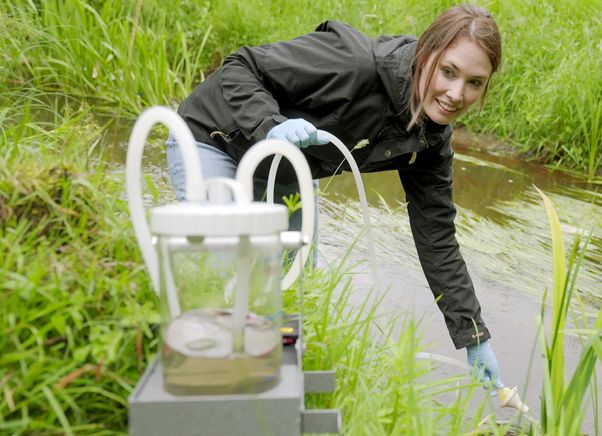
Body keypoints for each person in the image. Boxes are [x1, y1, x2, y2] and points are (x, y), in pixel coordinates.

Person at [167, 4, 505, 393]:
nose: (456, 94)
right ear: (425, 52)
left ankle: (269, 398)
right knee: (225, 268)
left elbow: (438, 241)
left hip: (286, 173)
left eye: (475, 83)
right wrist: (270, 125)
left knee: (286, 294)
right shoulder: (351, 63)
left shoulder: (429, 140)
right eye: (448, 72)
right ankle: (204, 390)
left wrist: (475, 337)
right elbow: (240, 66)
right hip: (213, 140)